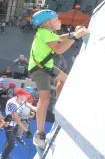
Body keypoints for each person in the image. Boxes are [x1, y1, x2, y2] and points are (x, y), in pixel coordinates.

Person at [28, 9, 88, 148]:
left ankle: (59, 107)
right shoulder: (43, 33)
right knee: (45, 98)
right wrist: (76, 37)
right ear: (48, 23)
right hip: (39, 69)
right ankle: (39, 134)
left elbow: (60, 38)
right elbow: (59, 49)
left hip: (45, 66)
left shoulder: (47, 32)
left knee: (65, 80)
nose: (60, 21)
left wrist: (73, 34)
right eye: (57, 19)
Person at [0, 88, 30, 159]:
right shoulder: (12, 103)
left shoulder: (22, 101)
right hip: (9, 125)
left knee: (9, 142)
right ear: (19, 95)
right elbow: (16, 118)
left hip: (15, 125)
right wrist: (26, 130)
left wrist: (32, 112)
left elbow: (21, 113)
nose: (27, 96)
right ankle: (3, 158)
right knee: (11, 144)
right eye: (25, 95)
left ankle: (5, 155)